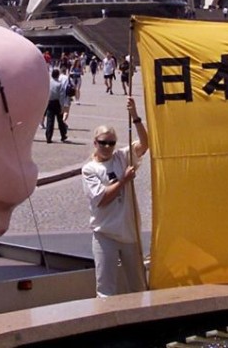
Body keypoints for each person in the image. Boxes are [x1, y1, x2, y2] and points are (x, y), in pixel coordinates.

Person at [81, 98, 149, 297]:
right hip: (105, 235)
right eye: (103, 143)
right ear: (95, 143)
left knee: (139, 287)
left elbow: (145, 144)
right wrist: (123, 180)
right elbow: (101, 199)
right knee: (105, 290)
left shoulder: (122, 156)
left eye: (111, 143)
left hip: (129, 233)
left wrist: (135, 116)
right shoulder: (89, 169)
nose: (108, 147)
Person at [44, 68, 68, 144]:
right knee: (60, 121)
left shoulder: (48, 83)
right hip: (57, 103)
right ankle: (63, 135)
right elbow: (61, 96)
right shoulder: (60, 84)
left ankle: (48, 137)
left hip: (49, 102)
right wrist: (62, 106)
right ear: (58, 75)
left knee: (50, 121)